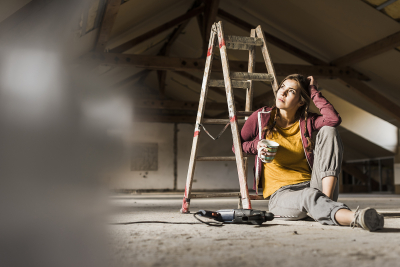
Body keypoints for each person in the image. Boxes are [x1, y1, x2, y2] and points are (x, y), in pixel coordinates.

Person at [237, 74, 384, 231]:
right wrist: (256, 146)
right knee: (308, 196)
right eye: (282, 87)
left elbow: (333, 119)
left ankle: (325, 203)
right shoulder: (261, 117)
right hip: (282, 195)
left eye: (291, 91)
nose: (283, 92)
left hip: (315, 185)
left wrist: (313, 90)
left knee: (329, 130)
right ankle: (356, 218)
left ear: (301, 101)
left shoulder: (307, 121)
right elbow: (237, 145)